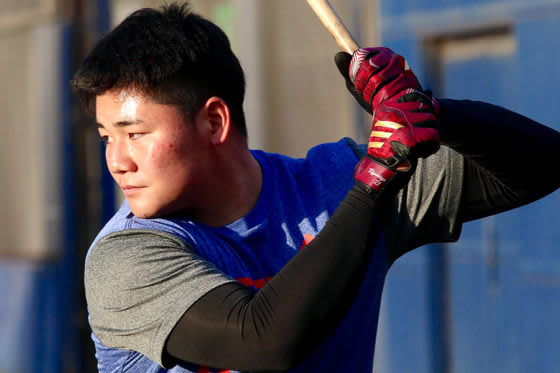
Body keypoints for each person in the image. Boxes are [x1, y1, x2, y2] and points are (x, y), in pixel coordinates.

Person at [71, 2, 559, 373]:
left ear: (214, 121)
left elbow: (541, 165)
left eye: (134, 134)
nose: (117, 161)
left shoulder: (331, 185)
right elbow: (264, 340)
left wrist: (429, 112)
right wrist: (374, 184)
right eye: (106, 137)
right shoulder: (128, 255)